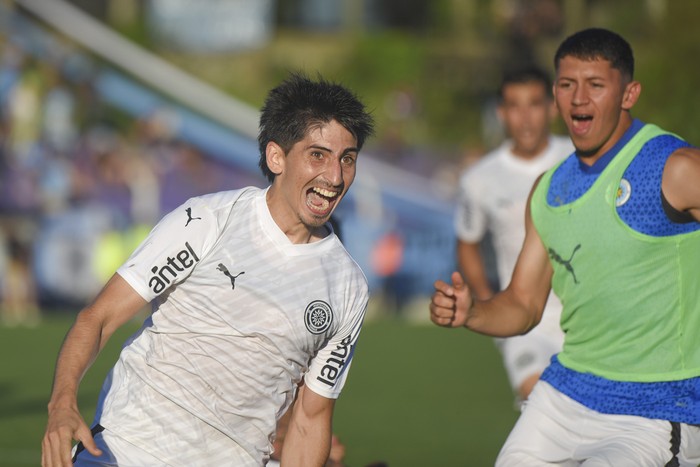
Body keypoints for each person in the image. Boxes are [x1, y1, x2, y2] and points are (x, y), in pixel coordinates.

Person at [41, 72, 375, 467]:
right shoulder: (207, 220)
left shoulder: (348, 286)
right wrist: (62, 404)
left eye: (347, 159)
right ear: (276, 157)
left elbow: (309, 419)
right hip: (126, 450)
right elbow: (97, 319)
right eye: (317, 155)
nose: (335, 178)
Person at [430, 27, 700, 466]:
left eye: (595, 85)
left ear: (628, 93)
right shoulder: (549, 189)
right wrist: (472, 311)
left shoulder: (674, 166)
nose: (578, 99)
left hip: (655, 408)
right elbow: (522, 303)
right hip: (567, 392)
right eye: (567, 85)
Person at [455, 66, 572, 403]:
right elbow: (467, 244)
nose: (525, 117)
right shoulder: (479, 178)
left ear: (552, 107)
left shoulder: (577, 158)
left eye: (534, 104)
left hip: (586, 320)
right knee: (538, 399)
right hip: (524, 323)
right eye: (514, 106)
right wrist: (487, 303)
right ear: (501, 112)